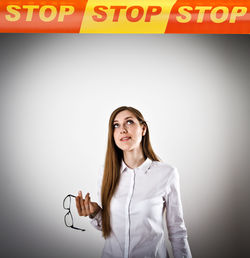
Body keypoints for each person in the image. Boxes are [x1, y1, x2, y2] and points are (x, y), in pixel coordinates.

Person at [75, 106, 192, 258]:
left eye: (129, 122)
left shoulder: (167, 173)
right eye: (116, 125)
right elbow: (113, 229)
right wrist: (95, 212)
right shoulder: (106, 172)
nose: (122, 129)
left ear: (143, 129)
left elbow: (177, 232)